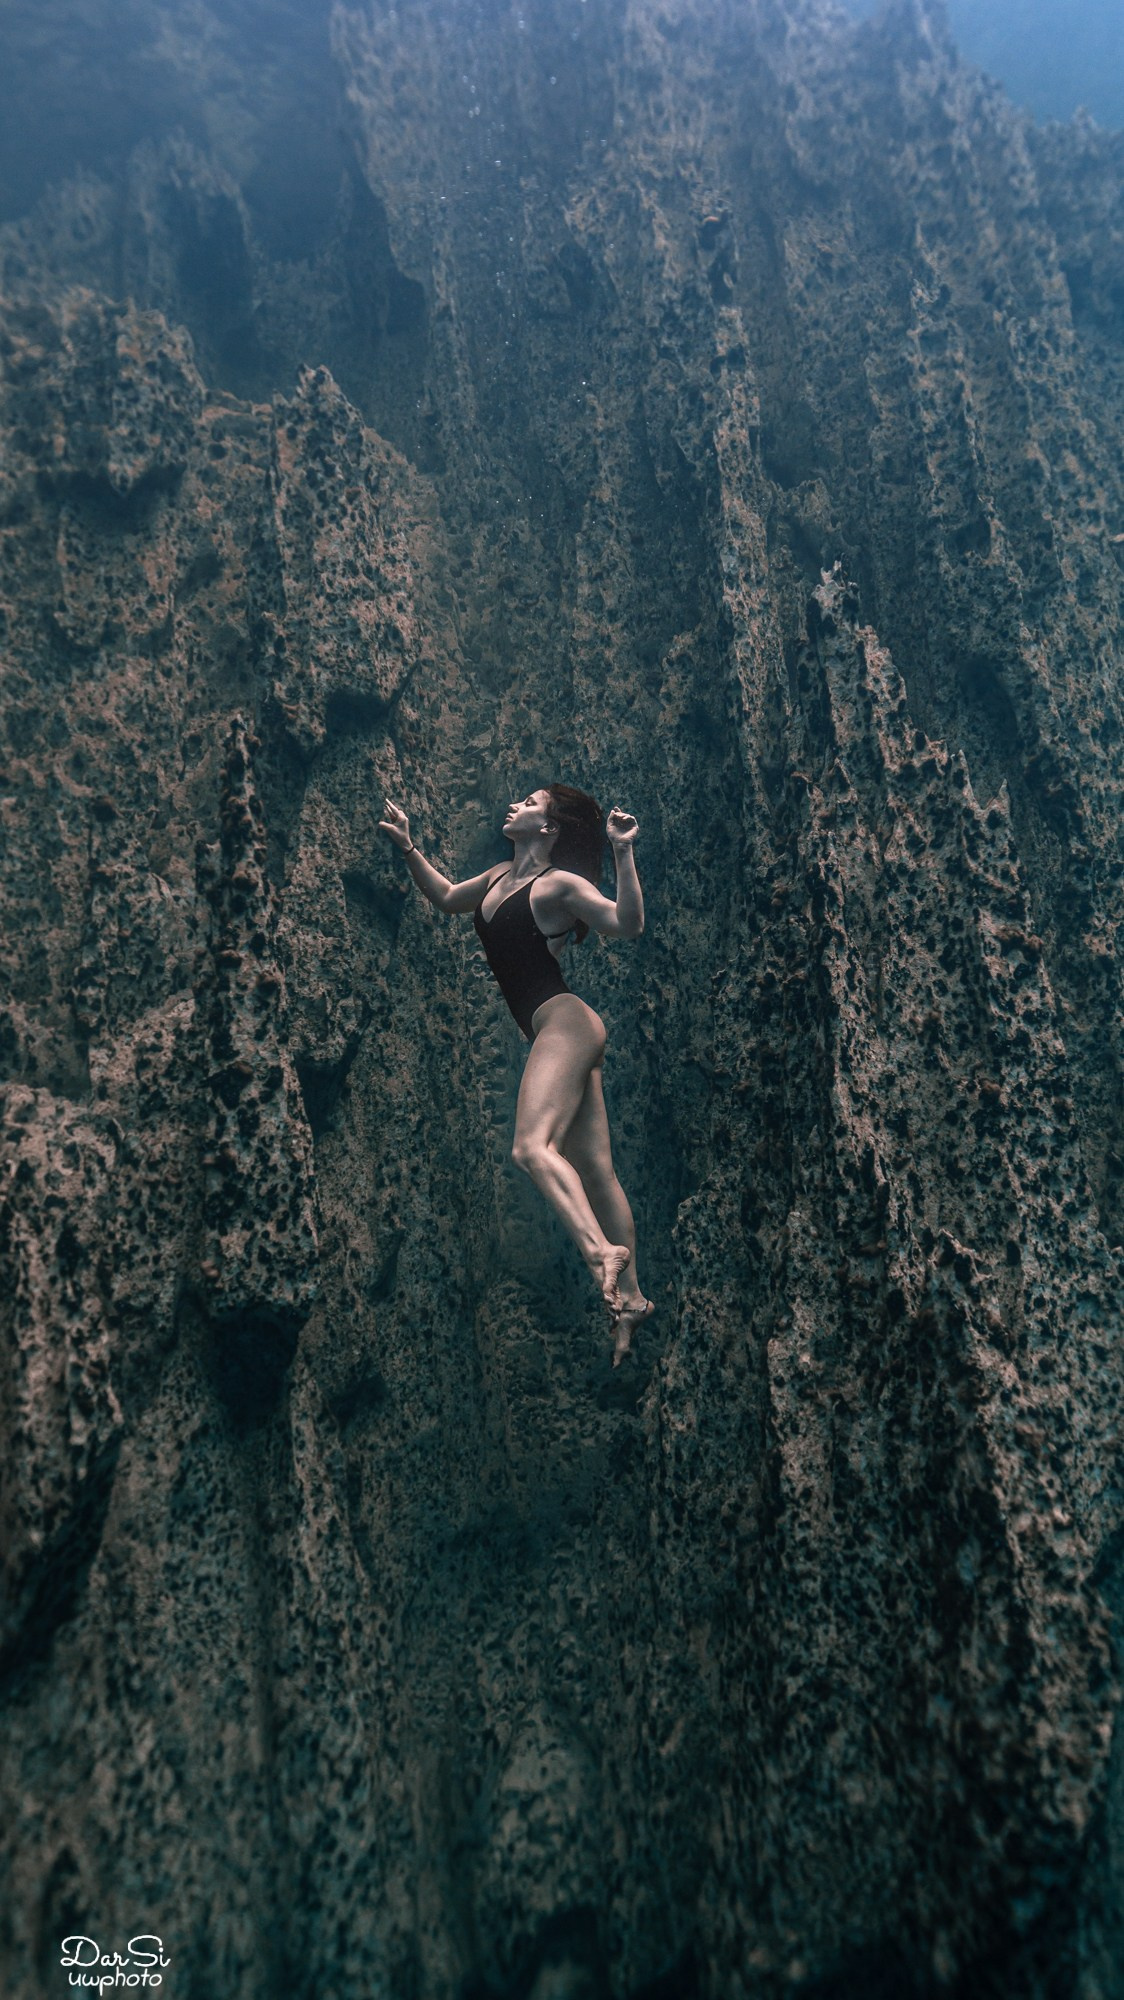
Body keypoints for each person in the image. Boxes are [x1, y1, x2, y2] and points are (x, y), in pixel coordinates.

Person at [378, 783, 653, 1366]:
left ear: (549, 828)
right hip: (561, 1029)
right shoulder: (501, 874)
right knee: (597, 1172)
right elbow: (450, 897)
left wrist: (623, 852)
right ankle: (630, 1302)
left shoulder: (558, 886)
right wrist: (407, 847)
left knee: (532, 1148)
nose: (516, 806)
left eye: (530, 803)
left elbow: (627, 924)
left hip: (566, 1024)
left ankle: (601, 1253)